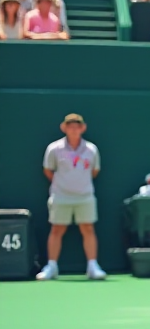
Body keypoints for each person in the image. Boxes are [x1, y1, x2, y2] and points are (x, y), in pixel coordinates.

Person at [39, 114, 106, 281]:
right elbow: (48, 170)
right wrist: (63, 184)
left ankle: (92, 266)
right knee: (56, 229)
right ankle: (52, 266)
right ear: (64, 128)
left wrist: (79, 184)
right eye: (70, 126)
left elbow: (94, 171)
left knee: (88, 229)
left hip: (85, 196)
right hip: (60, 196)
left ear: (83, 128)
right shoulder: (54, 148)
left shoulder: (91, 149)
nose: (74, 129)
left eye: (77, 125)